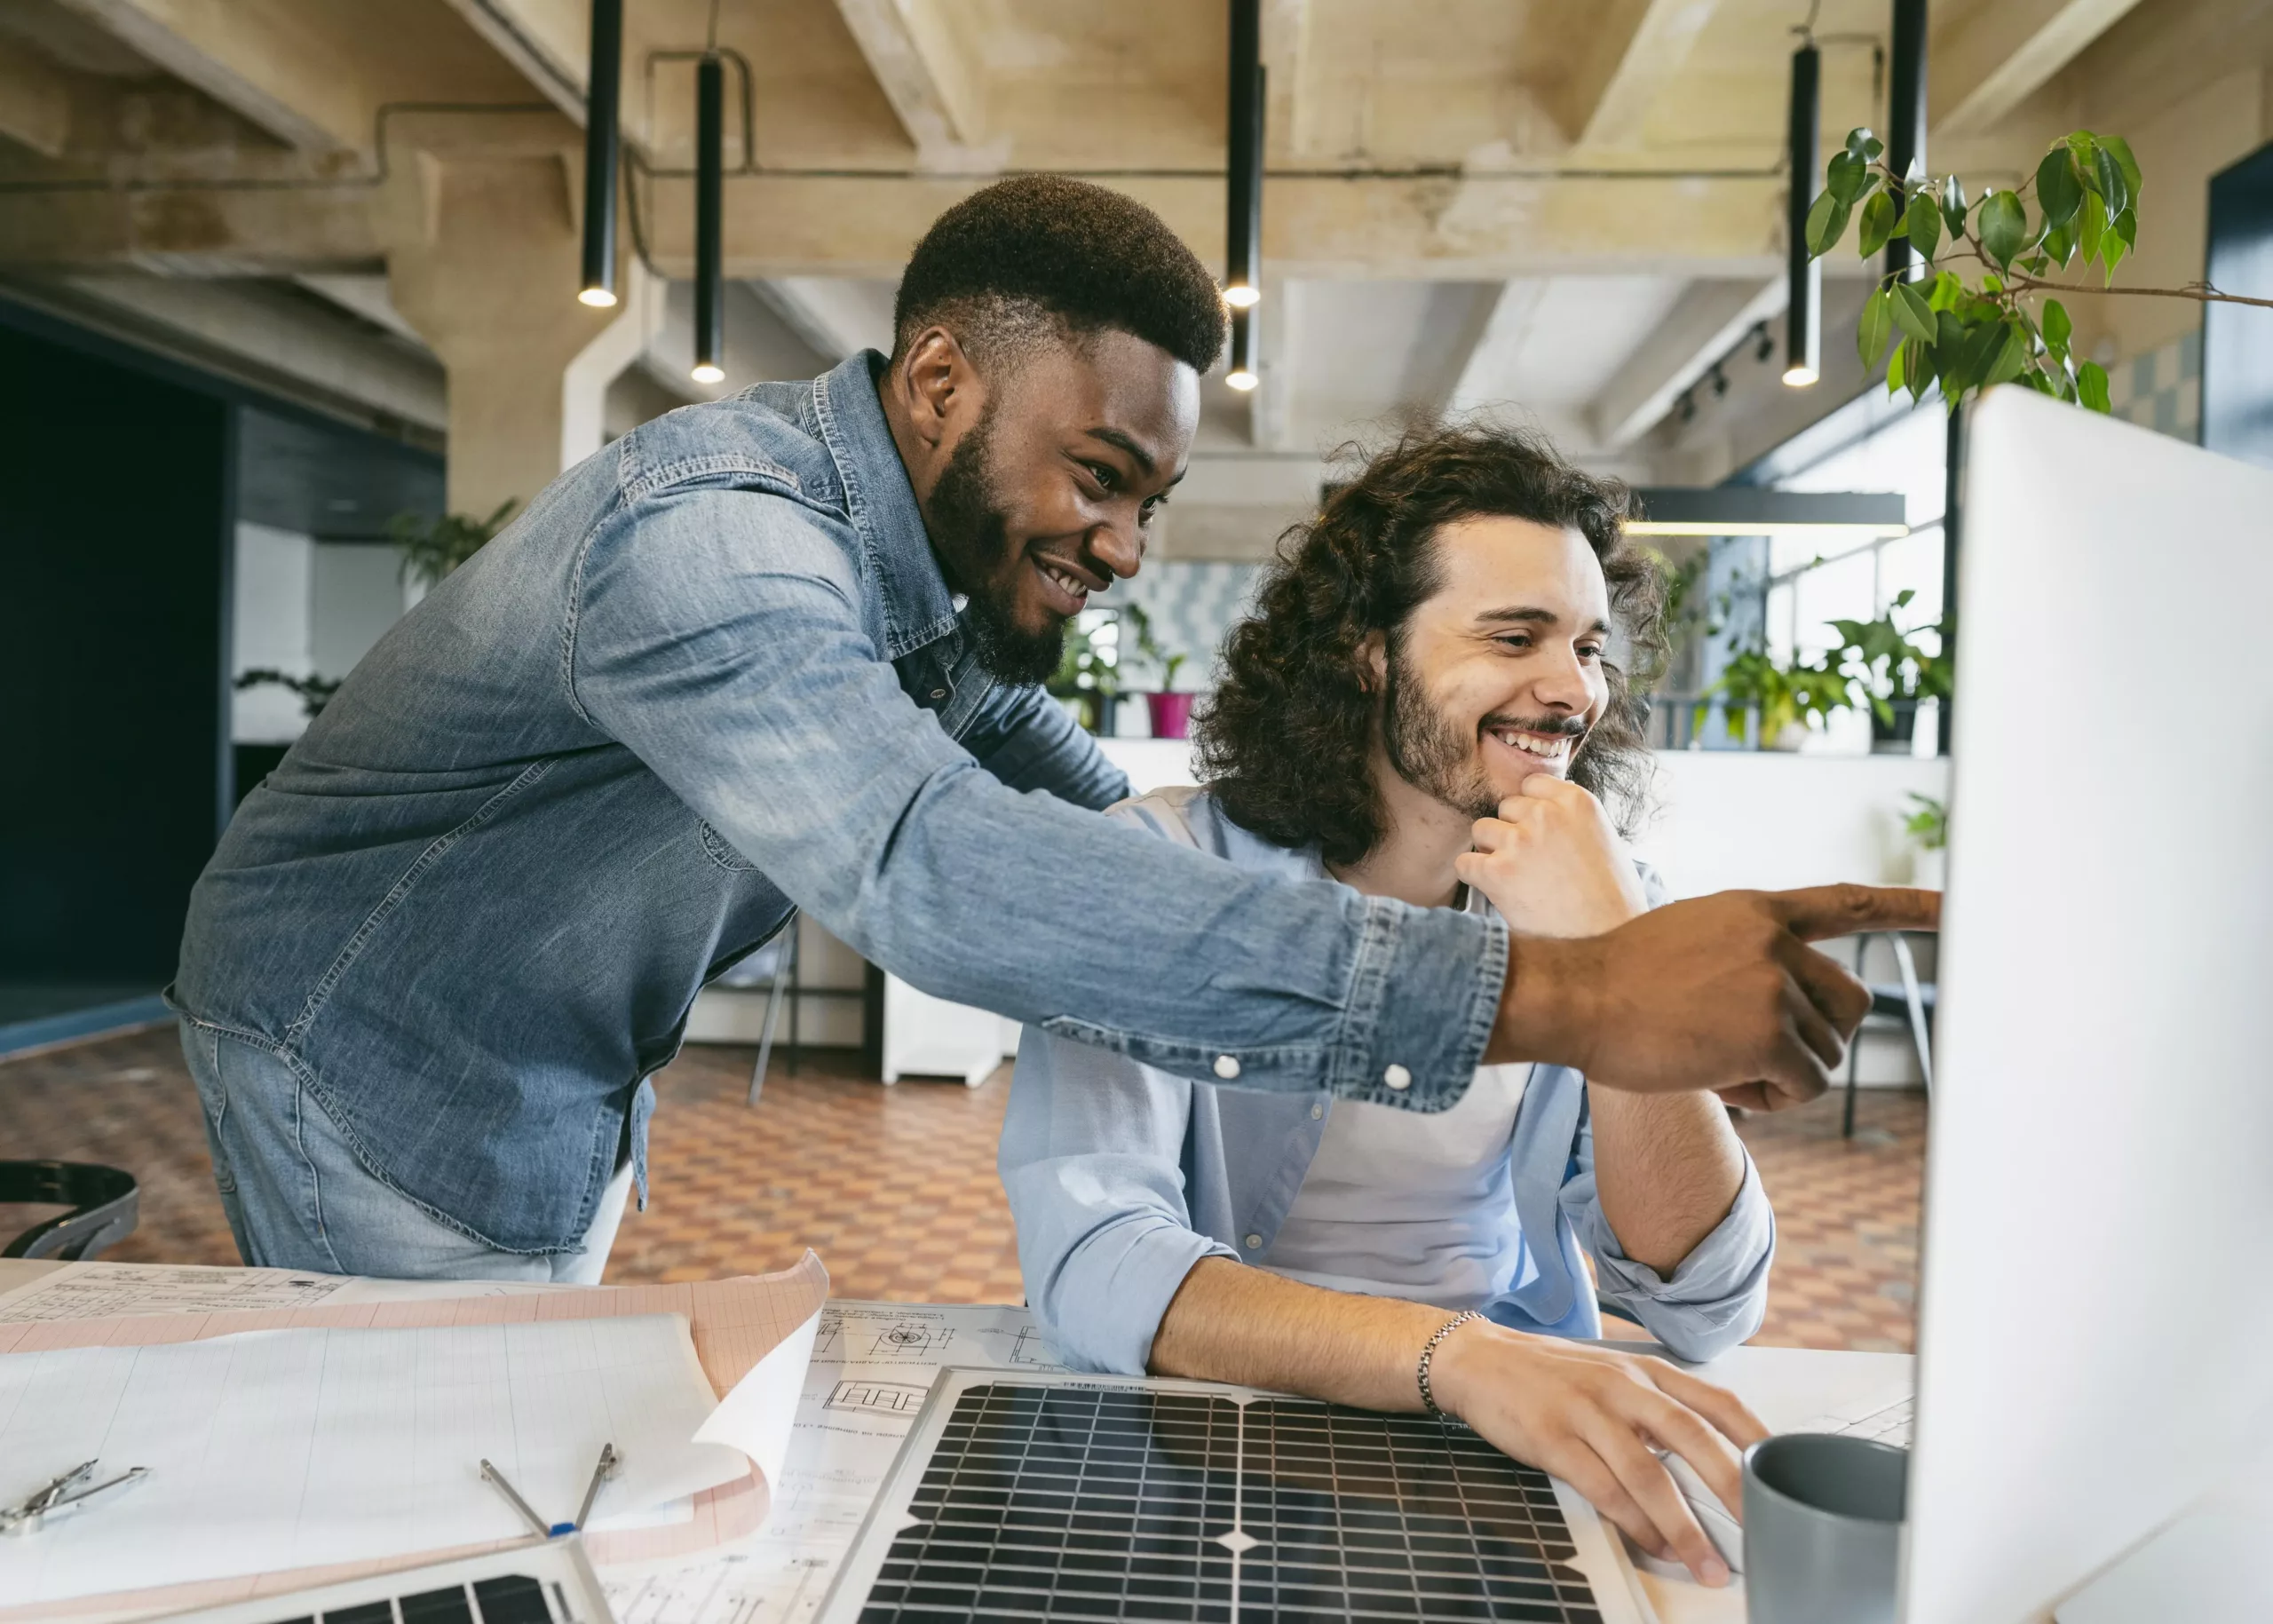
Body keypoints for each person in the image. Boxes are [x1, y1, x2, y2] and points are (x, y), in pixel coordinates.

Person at [171, 176, 1931, 1283]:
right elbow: (928, 868)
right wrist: (1574, 996)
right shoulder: (716, 540)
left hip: (549, 1051)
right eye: (1099, 477)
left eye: (1151, 501)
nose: (1119, 542)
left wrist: (1199, 832)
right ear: (938, 382)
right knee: (446, 1471)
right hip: (370, 1049)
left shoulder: (908, 568)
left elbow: (1015, 743)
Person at [1000, 424, 1776, 1588]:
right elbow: (1097, 1262)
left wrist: (1620, 956)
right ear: (1368, 654)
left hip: (1505, 1449)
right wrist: (1456, 1359)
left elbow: (1706, 1304)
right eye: (1514, 638)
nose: (1573, 693)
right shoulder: (1156, 870)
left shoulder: (1609, 899)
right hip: (1225, 1437)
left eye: (1587, 649)